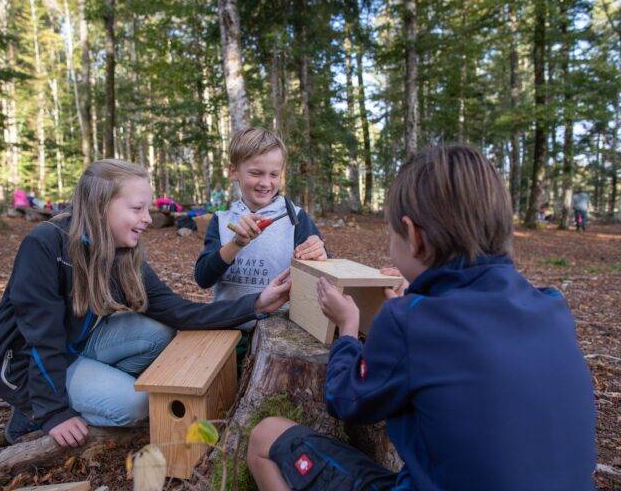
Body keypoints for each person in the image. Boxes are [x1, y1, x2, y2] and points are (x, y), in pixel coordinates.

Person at [247, 143, 596, 491]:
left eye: (391, 233)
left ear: (413, 235)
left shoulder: (410, 323)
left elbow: (343, 398)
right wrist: (419, 298)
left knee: (265, 437)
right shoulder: (552, 307)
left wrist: (348, 328)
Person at [0, 160, 291, 447]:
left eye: (148, 208)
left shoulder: (121, 252)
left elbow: (178, 312)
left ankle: (93, 385)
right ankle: (30, 412)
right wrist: (52, 412)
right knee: (136, 405)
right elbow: (41, 337)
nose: (148, 218)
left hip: (76, 344)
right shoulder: (46, 245)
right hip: (23, 363)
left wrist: (257, 304)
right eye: (137, 208)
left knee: (160, 333)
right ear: (100, 206)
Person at [194, 127, 326, 320]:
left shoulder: (296, 218)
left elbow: (322, 277)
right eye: (256, 173)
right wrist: (236, 244)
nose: (265, 183)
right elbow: (203, 278)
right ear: (234, 172)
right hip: (230, 325)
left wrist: (320, 254)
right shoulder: (222, 220)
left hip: (281, 327)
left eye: (274, 175)